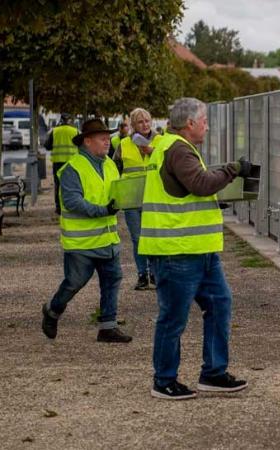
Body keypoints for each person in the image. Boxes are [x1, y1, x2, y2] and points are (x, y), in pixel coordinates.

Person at [139, 97, 252, 400]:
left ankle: (213, 374)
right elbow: (200, 184)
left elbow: (189, 193)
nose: (207, 125)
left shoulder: (176, 148)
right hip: (177, 251)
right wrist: (233, 169)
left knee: (219, 303)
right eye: (204, 121)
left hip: (197, 250)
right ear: (189, 123)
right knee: (173, 318)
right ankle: (164, 380)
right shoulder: (177, 149)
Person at [41, 118, 132, 343]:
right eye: (102, 139)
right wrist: (103, 210)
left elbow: (115, 193)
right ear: (87, 141)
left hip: (108, 239)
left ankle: (107, 328)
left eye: (108, 138)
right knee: (74, 282)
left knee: (112, 279)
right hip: (82, 243)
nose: (107, 142)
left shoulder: (109, 164)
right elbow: (72, 202)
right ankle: (52, 311)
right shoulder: (73, 168)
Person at [113, 108, 162, 290]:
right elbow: (113, 170)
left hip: (154, 199)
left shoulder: (160, 142)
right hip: (132, 200)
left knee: (154, 238)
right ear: (133, 125)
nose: (145, 125)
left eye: (148, 121)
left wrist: (152, 151)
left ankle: (155, 274)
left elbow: (168, 165)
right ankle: (142, 275)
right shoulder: (123, 144)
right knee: (137, 238)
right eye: (140, 122)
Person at [44, 113, 79, 214]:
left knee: (58, 185)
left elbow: (47, 146)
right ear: (70, 120)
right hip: (73, 162)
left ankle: (59, 208)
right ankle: (73, 205)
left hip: (58, 162)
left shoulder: (55, 131)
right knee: (73, 184)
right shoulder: (75, 131)